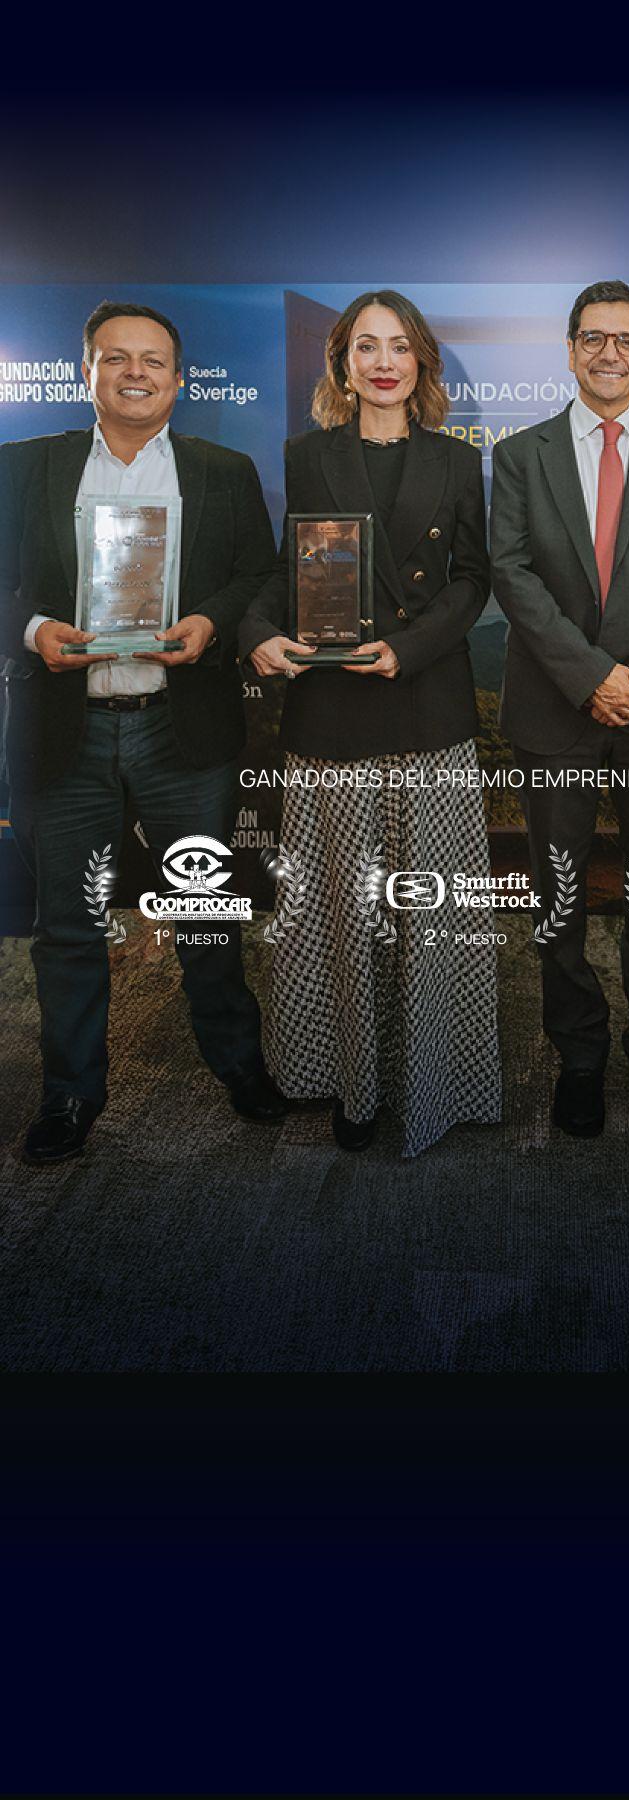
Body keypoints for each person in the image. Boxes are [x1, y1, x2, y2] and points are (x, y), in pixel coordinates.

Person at [0, 301, 284, 1166]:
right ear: (85, 371)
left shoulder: (224, 471)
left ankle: (238, 1064)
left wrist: (209, 622)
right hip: (66, 731)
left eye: (153, 360)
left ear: (179, 379)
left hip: (180, 730)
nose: (135, 373)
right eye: (116, 358)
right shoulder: (23, 466)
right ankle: (71, 1093)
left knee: (204, 913)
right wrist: (32, 630)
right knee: (69, 928)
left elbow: (257, 574)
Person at [240, 289, 500, 1153]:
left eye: (398, 346)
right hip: (332, 711)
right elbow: (292, 567)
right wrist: (257, 632)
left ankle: (435, 1087)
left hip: (425, 701)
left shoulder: (457, 461)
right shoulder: (306, 455)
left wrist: (409, 647)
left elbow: (472, 580)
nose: (383, 362)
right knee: (339, 912)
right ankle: (348, 1084)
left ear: (420, 361)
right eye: (365, 346)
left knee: (429, 912)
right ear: (343, 364)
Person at [489, 279, 629, 1137]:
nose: (609, 352)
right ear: (570, 349)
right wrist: (591, 676)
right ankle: (579, 1057)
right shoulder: (522, 453)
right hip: (556, 706)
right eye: (593, 337)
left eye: (626, 340)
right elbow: (511, 572)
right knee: (558, 893)